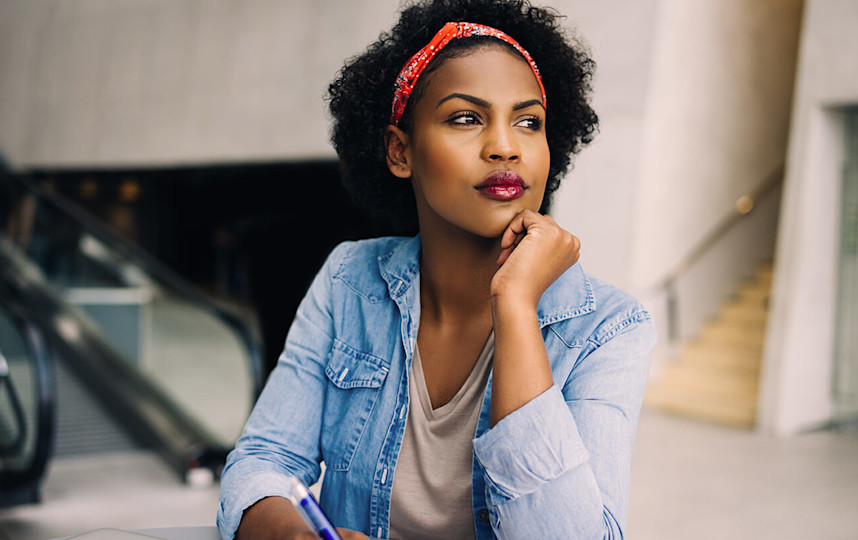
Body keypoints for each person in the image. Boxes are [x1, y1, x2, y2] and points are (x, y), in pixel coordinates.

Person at [217, 1, 656, 538]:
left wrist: (516, 307)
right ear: (401, 152)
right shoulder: (348, 281)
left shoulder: (608, 328)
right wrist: (297, 536)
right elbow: (264, 458)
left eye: (529, 121)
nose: (504, 146)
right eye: (466, 118)